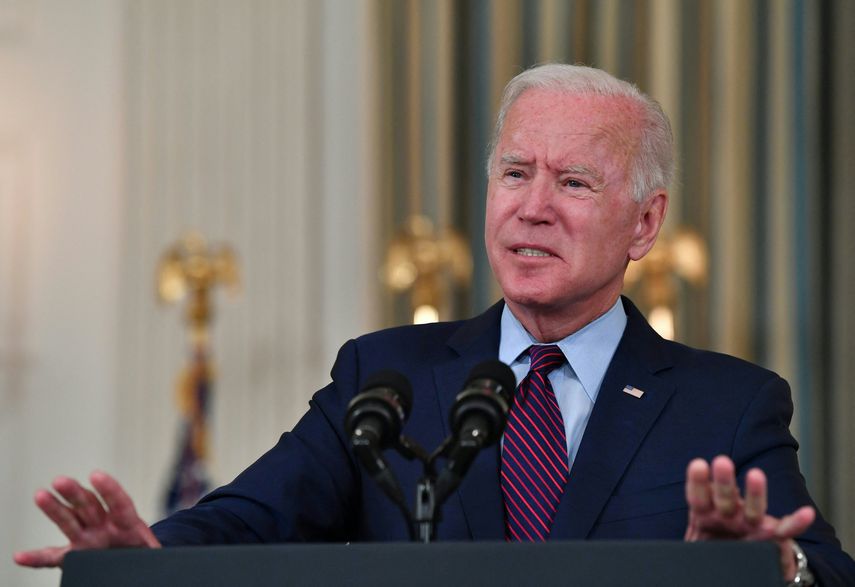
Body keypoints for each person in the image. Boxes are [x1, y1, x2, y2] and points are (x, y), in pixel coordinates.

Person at [14, 64, 855, 585]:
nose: (530, 208)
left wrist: (769, 569)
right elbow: (246, 519)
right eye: (514, 172)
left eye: (572, 184)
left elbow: (822, 568)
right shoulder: (382, 378)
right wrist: (144, 553)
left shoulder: (726, 404)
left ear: (643, 223)